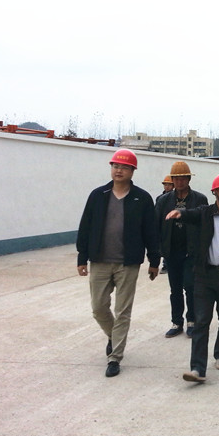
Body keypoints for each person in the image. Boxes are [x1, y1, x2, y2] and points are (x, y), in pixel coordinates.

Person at [76, 149, 160, 378]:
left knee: (123, 311)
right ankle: (113, 336)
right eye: (115, 166)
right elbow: (85, 227)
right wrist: (82, 257)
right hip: (100, 261)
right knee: (98, 308)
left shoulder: (142, 198)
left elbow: (151, 231)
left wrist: (154, 260)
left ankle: (115, 357)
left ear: (133, 171)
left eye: (124, 167)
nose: (118, 170)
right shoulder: (98, 195)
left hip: (128, 263)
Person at [165, 174, 219, 383]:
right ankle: (197, 368)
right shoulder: (204, 214)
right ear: (215, 193)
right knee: (202, 320)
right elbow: (191, 214)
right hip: (204, 276)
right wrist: (179, 213)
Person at [156, 161, 208, 339]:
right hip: (172, 252)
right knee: (175, 289)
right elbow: (157, 225)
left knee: (190, 287)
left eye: (183, 178)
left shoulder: (199, 199)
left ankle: (191, 321)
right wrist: (158, 250)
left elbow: (204, 224)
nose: (179, 182)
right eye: (176, 178)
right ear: (172, 180)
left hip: (191, 252)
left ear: (188, 179)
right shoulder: (163, 201)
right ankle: (176, 322)